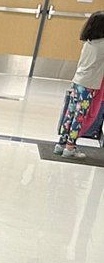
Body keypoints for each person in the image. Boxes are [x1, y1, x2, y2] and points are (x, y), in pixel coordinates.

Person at [54, 11, 104, 158]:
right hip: (88, 85)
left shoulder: (89, 42)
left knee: (70, 113)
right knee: (80, 116)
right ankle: (70, 147)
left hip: (78, 81)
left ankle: (61, 143)